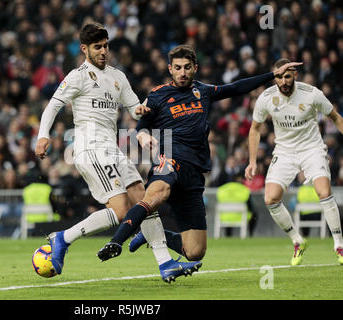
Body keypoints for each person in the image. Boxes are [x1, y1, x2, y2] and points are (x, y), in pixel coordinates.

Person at [96, 45, 301, 282]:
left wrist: (271, 76)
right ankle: (115, 242)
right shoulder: (158, 94)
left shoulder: (203, 90)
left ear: (195, 68)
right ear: (170, 69)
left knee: (194, 252)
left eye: (187, 68)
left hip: (194, 173)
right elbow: (142, 124)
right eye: (177, 68)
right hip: (170, 158)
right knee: (155, 195)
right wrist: (142, 135)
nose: (182, 72)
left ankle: (150, 236)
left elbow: (235, 88)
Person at [34, 22, 183, 277]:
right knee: (122, 210)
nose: (103, 51)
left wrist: (146, 110)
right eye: (97, 47)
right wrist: (43, 135)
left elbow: (135, 107)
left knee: (145, 200)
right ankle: (63, 238)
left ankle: (166, 263)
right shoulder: (78, 76)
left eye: (105, 46)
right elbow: (53, 106)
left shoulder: (117, 77)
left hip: (111, 148)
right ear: (84, 49)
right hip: (90, 148)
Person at [245, 58, 343, 266]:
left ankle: (339, 245)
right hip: (284, 151)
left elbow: (335, 117)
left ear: (295, 75)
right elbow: (254, 129)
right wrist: (252, 161)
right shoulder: (266, 98)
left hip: (312, 149)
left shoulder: (312, 93)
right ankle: (298, 240)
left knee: (324, 192)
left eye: (287, 76)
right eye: (279, 77)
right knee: (270, 199)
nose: (283, 81)